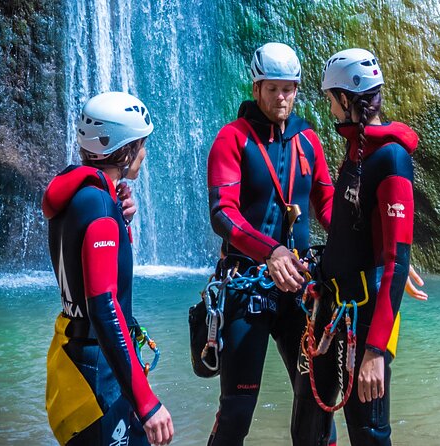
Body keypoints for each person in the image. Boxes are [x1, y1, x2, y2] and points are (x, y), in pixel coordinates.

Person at [205, 41, 335, 445]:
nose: (282, 98)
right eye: (273, 88)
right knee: (237, 410)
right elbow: (222, 214)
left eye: (289, 89)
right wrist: (270, 251)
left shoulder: (309, 141)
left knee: (318, 399)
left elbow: (328, 204)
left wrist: (379, 245)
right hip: (247, 286)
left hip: (298, 289)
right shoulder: (232, 139)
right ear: (257, 87)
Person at [292, 48, 419, 445]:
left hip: (365, 321)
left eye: (331, 99)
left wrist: (376, 351)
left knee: (368, 433)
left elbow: (397, 262)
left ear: (347, 100)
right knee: (308, 423)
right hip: (333, 308)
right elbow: (356, 229)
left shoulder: (392, 160)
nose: (329, 108)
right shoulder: (359, 148)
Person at [42, 91, 174, 446]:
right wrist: (146, 403)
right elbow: (104, 306)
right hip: (97, 372)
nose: (144, 154)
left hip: (82, 357)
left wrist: (120, 216)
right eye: (140, 144)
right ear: (125, 148)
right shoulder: (100, 206)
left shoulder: (81, 192)